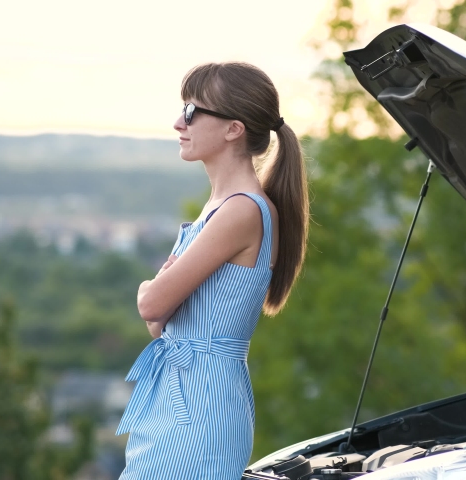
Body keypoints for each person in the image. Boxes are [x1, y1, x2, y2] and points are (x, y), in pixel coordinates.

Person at [115, 62, 309, 479]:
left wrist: (152, 286)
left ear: (233, 129)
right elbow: (160, 327)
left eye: (191, 111)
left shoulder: (241, 210)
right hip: (175, 398)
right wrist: (159, 297)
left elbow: (152, 303)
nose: (177, 122)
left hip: (202, 409)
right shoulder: (217, 208)